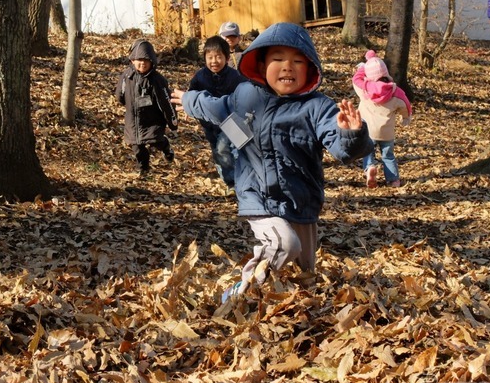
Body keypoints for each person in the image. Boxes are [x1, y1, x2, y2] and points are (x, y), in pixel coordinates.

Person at [171, 22, 373, 302]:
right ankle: (241, 292)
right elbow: (218, 108)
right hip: (258, 195)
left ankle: (297, 308)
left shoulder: (317, 106)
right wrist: (190, 99)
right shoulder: (247, 95)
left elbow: (341, 148)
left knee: (305, 271)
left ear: (310, 69)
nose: (287, 67)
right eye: (278, 59)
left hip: (301, 198)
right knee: (284, 244)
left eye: (297, 61)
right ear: (261, 64)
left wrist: (350, 133)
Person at [189, 35, 246, 190]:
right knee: (219, 152)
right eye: (210, 57)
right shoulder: (200, 77)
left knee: (237, 149)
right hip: (210, 123)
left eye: (218, 57)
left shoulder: (235, 77)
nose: (214, 61)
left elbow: (244, 95)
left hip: (232, 120)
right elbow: (192, 95)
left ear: (227, 58)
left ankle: (239, 181)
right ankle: (229, 180)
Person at [117, 39, 178, 176]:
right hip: (133, 120)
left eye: (146, 60)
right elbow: (120, 94)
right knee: (137, 146)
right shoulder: (127, 76)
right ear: (132, 60)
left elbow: (166, 102)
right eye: (139, 59)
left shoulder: (157, 80)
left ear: (152, 62)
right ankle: (143, 169)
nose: (142, 63)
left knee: (156, 141)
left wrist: (172, 121)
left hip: (153, 120)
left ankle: (166, 148)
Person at [352, 50, 412, 188]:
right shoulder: (395, 92)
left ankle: (369, 168)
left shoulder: (364, 90)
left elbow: (356, 80)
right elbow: (405, 104)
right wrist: (406, 117)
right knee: (388, 155)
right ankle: (393, 180)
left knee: (367, 151)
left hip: (369, 131)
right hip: (387, 132)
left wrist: (362, 68)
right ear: (385, 72)